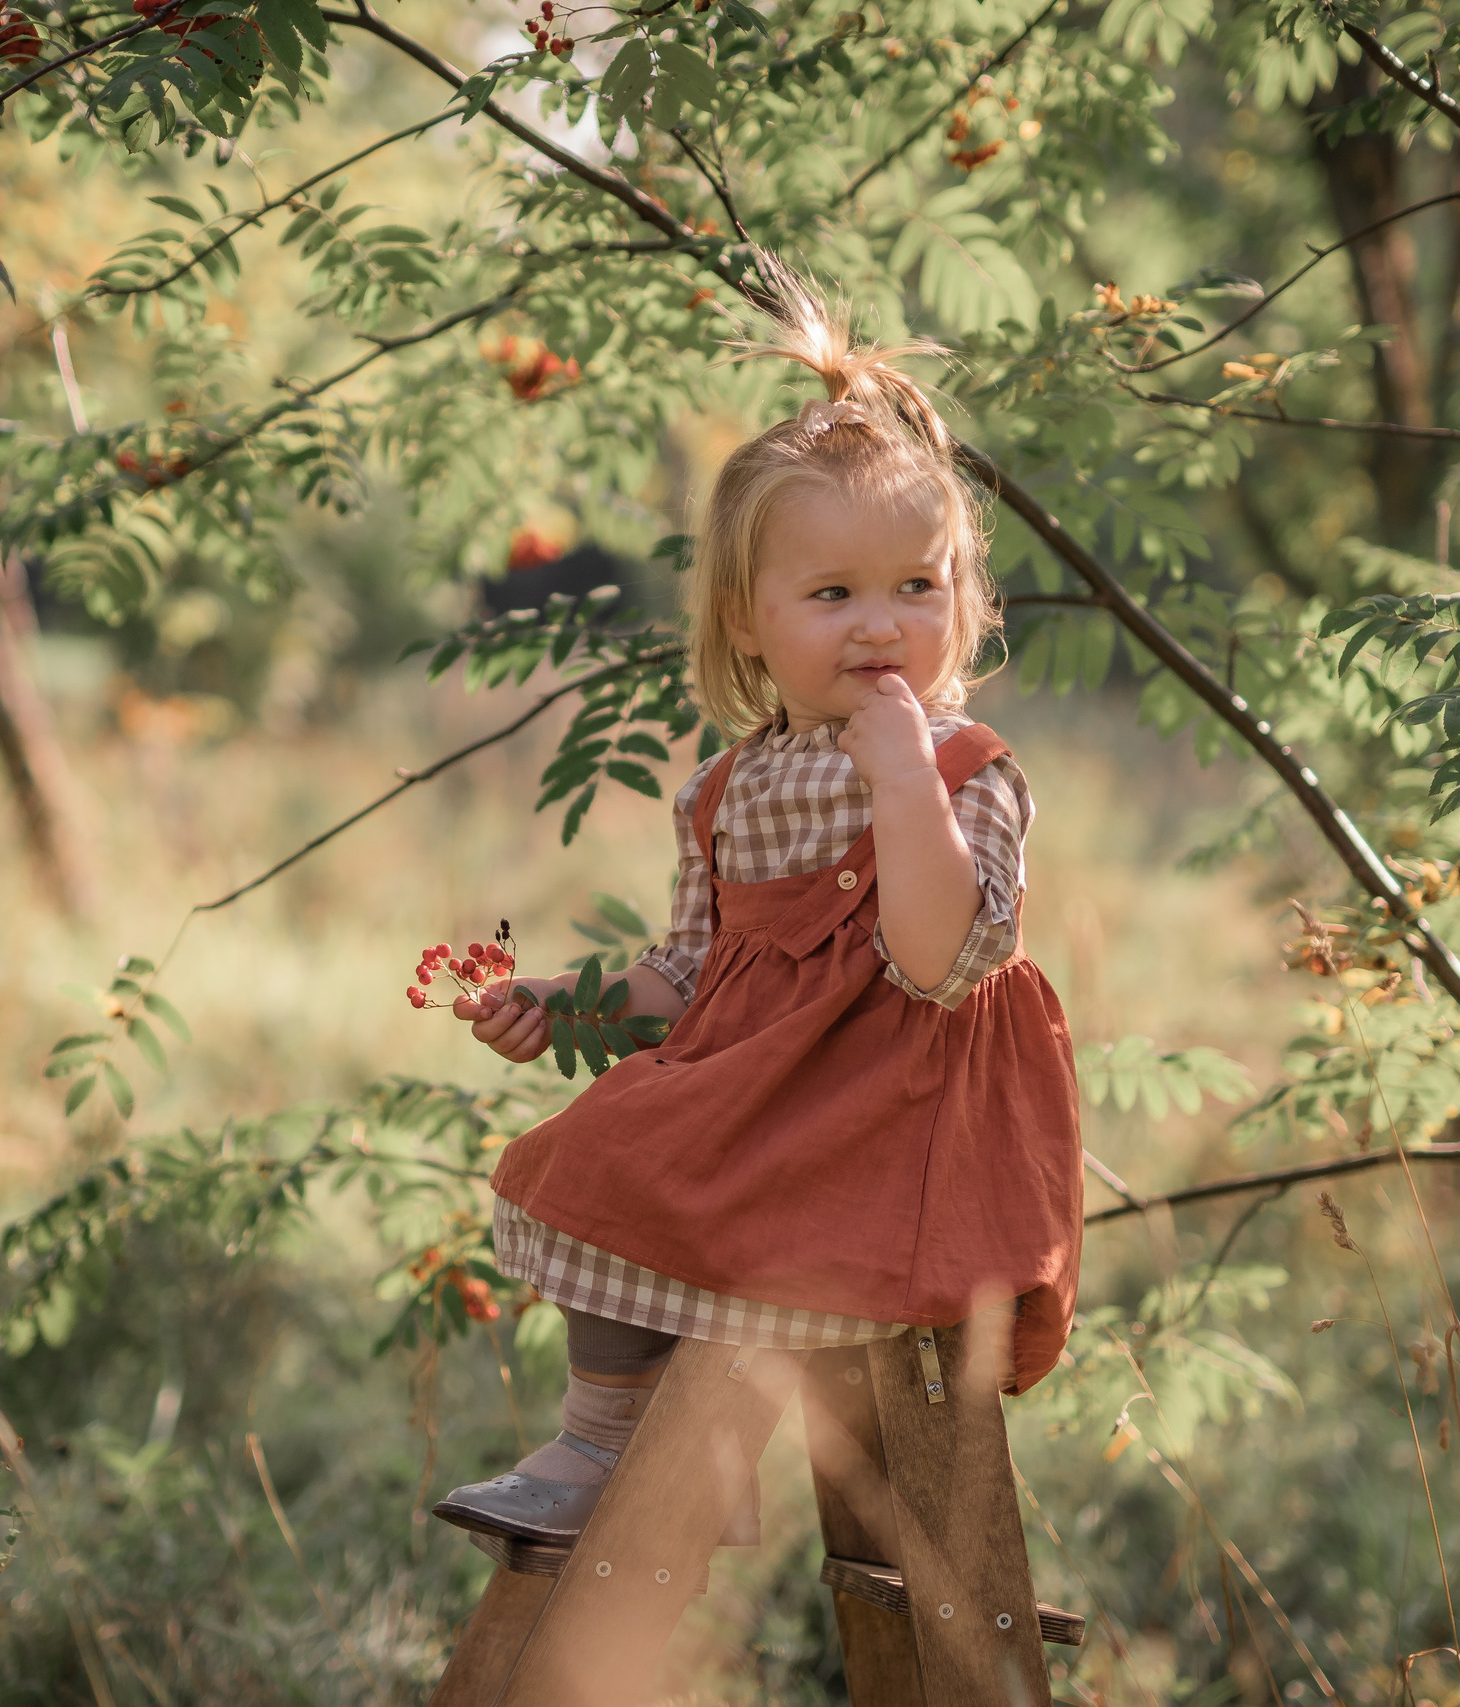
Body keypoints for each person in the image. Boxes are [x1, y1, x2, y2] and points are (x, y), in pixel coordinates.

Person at [431, 282, 1083, 1548]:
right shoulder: (724, 790)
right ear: (748, 617)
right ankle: (606, 1448)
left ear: (963, 596)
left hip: (902, 1122)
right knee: (607, 1147)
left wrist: (900, 776)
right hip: (769, 1090)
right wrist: (565, 1005)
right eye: (831, 596)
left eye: (916, 585)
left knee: (698, 1178)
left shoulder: (963, 769)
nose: (883, 624)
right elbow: (698, 977)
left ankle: (687, 1474)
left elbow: (944, 959)